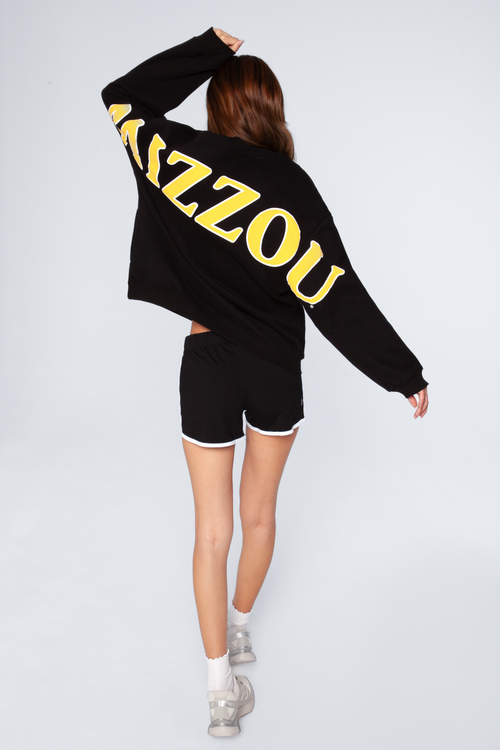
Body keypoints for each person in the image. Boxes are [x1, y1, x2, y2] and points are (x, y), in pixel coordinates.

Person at [101, 27, 429, 737]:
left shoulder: (179, 160)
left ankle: (220, 690)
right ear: (273, 109)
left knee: (210, 532)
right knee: (259, 516)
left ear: (215, 107)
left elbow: (122, 97)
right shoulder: (293, 187)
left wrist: (209, 48)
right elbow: (336, 292)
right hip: (275, 367)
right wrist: (402, 374)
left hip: (207, 364)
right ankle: (242, 629)